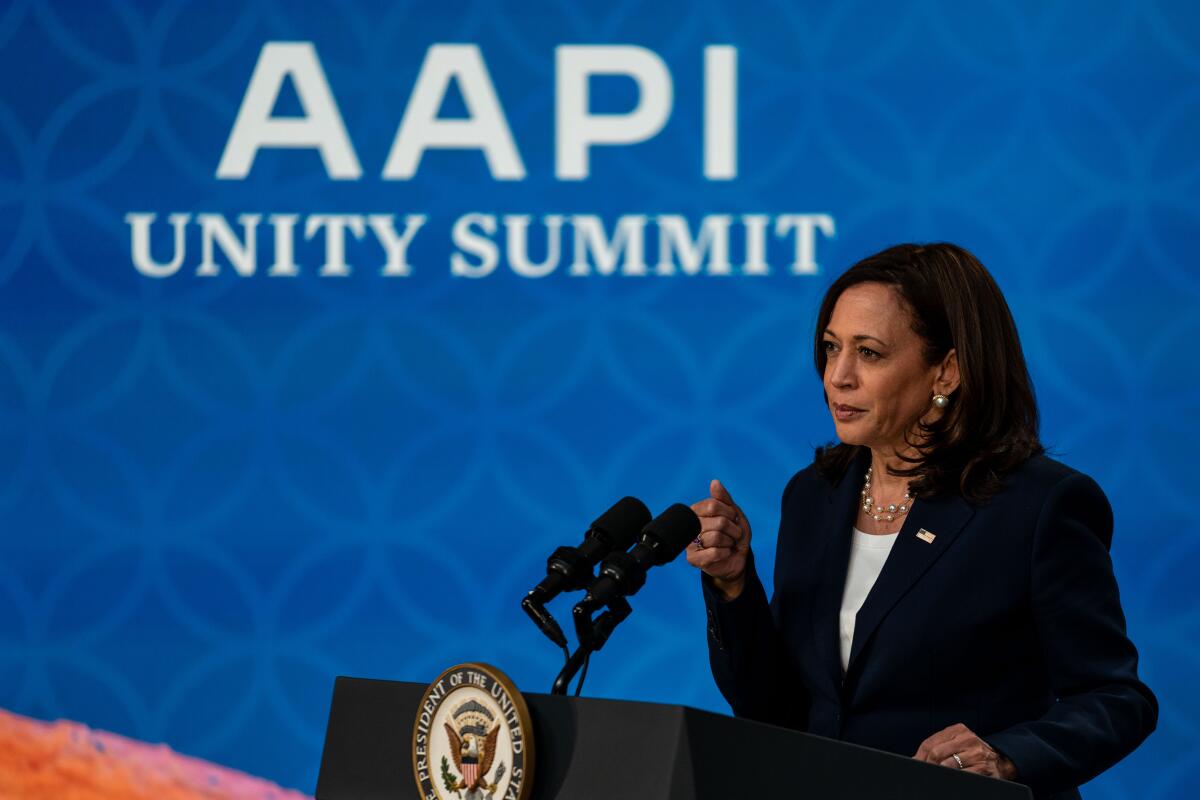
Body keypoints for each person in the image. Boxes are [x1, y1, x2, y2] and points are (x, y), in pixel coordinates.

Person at [687, 243, 1156, 800]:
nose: (838, 376)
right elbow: (777, 710)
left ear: (948, 370)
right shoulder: (814, 496)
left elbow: (1116, 700)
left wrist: (1008, 757)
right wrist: (733, 586)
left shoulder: (1037, 506)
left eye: (870, 353)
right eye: (832, 348)